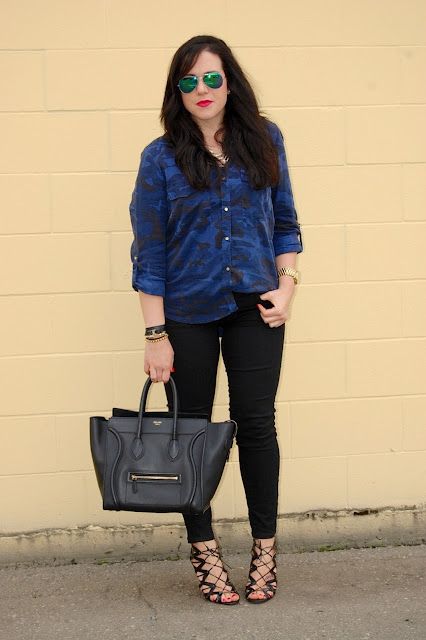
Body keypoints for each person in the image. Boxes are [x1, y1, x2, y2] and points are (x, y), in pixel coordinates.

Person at [129, 35, 302, 605]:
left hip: (256, 307)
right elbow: (149, 253)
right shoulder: (160, 158)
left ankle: (264, 553)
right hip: (187, 314)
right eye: (188, 81)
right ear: (176, 92)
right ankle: (205, 556)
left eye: (211, 78)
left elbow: (285, 223)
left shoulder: (265, 140)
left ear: (230, 82)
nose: (200, 90)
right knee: (193, 435)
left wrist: (287, 287)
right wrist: (156, 335)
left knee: (256, 426)